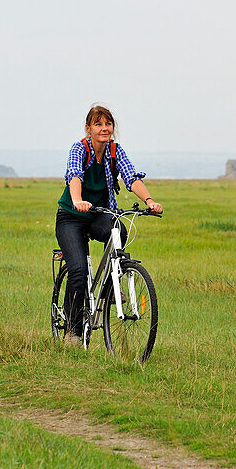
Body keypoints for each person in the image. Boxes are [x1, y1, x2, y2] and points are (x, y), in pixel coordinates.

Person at [55, 104, 162, 339]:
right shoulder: (80, 149)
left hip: (98, 213)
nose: (104, 129)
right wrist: (77, 200)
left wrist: (150, 201)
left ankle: (112, 285)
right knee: (79, 271)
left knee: (118, 228)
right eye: (98, 124)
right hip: (71, 217)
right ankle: (72, 331)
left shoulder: (115, 151)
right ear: (88, 128)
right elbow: (74, 175)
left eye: (108, 124)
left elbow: (131, 178)